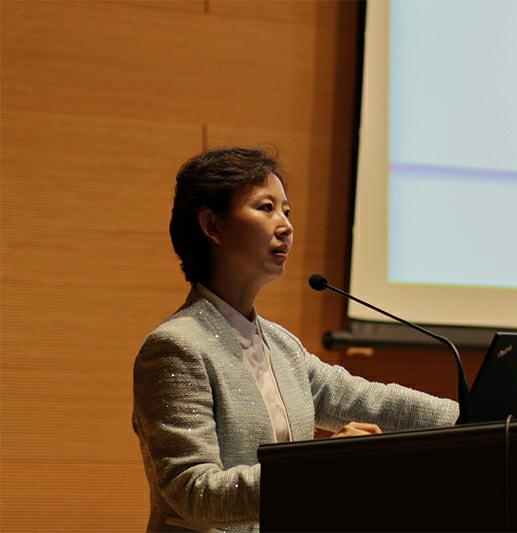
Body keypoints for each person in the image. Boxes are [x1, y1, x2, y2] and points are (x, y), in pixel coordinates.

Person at [132, 147, 459, 533]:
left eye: (287, 211)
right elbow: (193, 493)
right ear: (212, 226)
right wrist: (318, 466)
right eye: (266, 207)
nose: (285, 225)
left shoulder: (281, 345)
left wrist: (480, 415)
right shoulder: (176, 347)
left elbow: (368, 401)